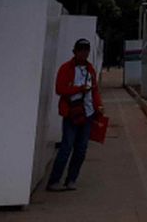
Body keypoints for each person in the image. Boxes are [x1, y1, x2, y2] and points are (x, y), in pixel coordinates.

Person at [47, 38, 103, 191]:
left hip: (88, 112)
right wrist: (79, 89)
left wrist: (99, 106)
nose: (84, 53)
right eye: (81, 50)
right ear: (75, 51)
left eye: (86, 50)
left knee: (81, 149)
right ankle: (54, 181)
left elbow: (95, 90)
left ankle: (71, 179)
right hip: (71, 113)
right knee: (66, 147)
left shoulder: (90, 69)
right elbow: (60, 89)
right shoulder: (66, 68)